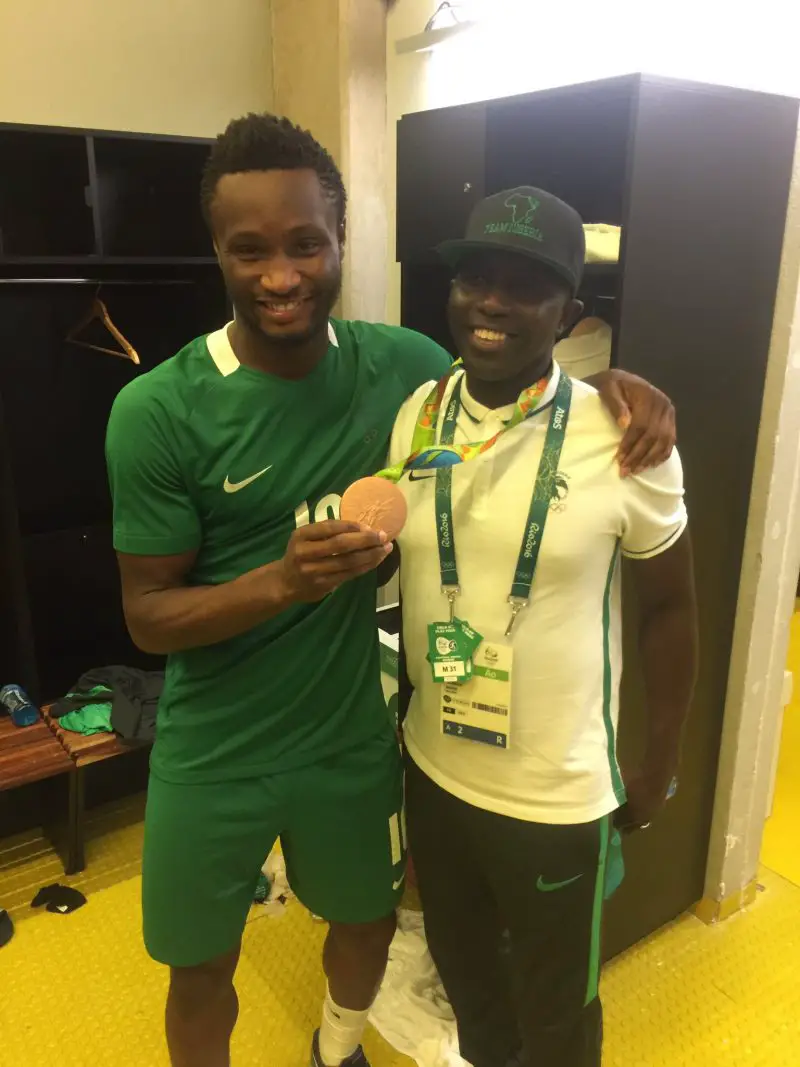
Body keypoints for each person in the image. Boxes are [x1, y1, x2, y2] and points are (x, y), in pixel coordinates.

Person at [105, 114, 678, 1067]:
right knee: (199, 965)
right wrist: (281, 581)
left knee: (367, 921)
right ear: (218, 251)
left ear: (342, 240)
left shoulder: (405, 372)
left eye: (305, 244)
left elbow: (510, 373)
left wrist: (612, 381)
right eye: (250, 250)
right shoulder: (155, 409)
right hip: (216, 745)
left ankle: (336, 1051)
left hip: (355, 737)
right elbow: (147, 618)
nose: (281, 275)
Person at [389, 186, 698, 1067]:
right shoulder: (416, 415)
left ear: (570, 312)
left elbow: (671, 608)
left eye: (525, 285)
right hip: (435, 771)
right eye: (474, 277)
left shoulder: (626, 438)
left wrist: (659, 762)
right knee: (469, 983)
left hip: (556, 798)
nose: (491, 301)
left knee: (558, 1015)